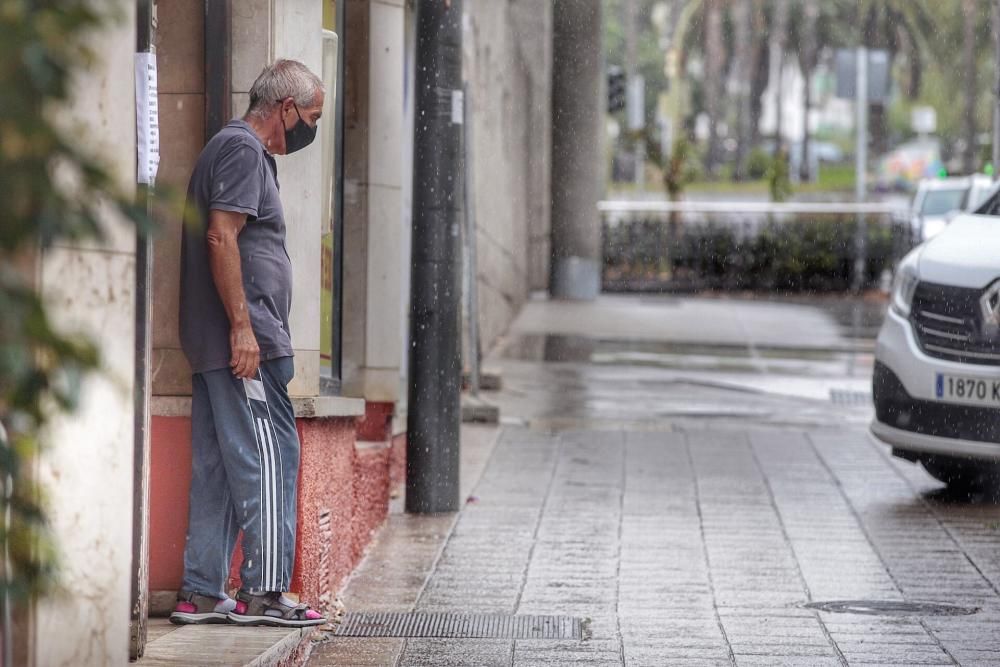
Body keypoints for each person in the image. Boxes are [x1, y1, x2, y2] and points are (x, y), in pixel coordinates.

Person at [170, 59, 326, 627]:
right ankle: (264, 591)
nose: (311, 129)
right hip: (246, 343)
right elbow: (221, 234)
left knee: (218, 464)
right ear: (284, 109)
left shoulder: (233, 150)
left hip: (226, 341)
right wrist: (244, 328)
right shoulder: (241, 150)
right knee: (269, 457)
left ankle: (204, 590)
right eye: (310, 117)